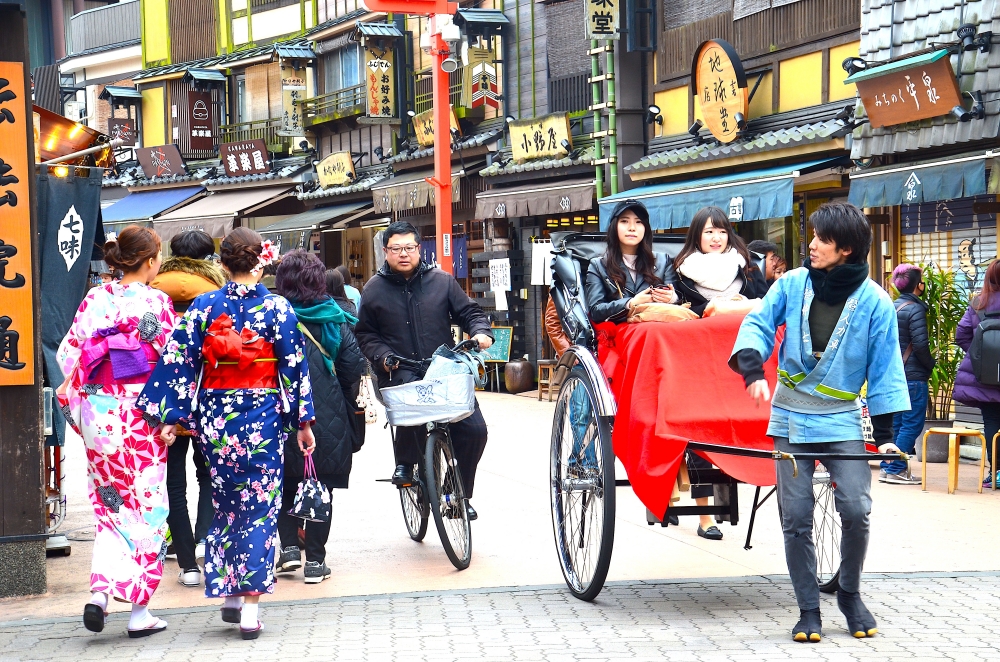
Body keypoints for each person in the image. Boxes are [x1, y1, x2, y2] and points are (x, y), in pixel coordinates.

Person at [730, 202, 908, 643]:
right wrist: (753, 368)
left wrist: (884, 437)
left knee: (856, 509)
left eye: (821, 239)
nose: (811, 245)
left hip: (842, 421)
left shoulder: (875, 302)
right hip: (790, 416)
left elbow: (886, 369)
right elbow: (758, 321)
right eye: (812, 236)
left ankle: (848, 594)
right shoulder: (791, 284)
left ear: (846, 249)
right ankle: (808, 608)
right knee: (796, 517)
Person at [137, 228, 316, 640]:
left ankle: (231, 597)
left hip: (217, 418)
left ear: (222, 263)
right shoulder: (278, 308)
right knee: (258, 508)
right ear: (261, 262)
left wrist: (170, 414)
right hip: (263, 415)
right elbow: (293, 367)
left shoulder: (203, 305)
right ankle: (250, 609)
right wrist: (303, 423)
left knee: (226, 504)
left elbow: (180, 362)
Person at [56, 225, 176, 637]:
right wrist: (172, 417)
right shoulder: (156, 303)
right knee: (147, 507)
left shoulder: (94, 298)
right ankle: (139, 612)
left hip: (98, 417)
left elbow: (69, 353)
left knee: (110, 507)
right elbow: (172, 363)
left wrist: (80, 409)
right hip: (139, 419)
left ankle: (101, 593)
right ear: (148, 261)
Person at [355, 221, 494, 519]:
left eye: (409, 248)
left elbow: (469, 312)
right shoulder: (373, 290)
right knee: (410, 407)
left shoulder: (441, 280)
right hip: (398, 368)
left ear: (419, 249)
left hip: (443, 369)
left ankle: (458, 495)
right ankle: (405, 462)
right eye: (396, 249)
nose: (403, 254)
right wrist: (383, 356)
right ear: (385, 252)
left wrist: (481, 332)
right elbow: (365, 334)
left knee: (475, 430)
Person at [273, 250, 365, 584]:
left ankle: (286, 550)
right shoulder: (333, 315)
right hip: (326, 411)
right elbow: (354, 365)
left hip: (277, 410)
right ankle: (315, 560)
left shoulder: (271, 314)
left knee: (283, 482)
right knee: (319, 482)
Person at [149, 229, 226, 587]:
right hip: (210, 393)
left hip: (165, 395)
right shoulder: (218, 293)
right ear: (209, 257)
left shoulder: (154, 287)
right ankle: (207, 546)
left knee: (172, 480)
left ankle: (186, 564)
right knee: (209, 474)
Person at [584, 198, 678, 325]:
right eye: (624, 221)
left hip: (658, 328)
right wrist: (630, 303)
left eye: (639, 222)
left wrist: (672, 298)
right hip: (621, 333)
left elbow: (680, 300)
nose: (632, 228)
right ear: (614, 226)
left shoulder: (663, 261)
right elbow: (595, 310)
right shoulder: (599, 265)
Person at [882, 264, 933, 485]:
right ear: (918, 285)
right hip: (913, 376)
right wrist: (929, 365)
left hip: (893, 375)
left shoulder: (890, 307)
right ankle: (896, 467)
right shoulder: (916, 309)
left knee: (898, 423)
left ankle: (888, 466)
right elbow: (920, 345)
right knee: (912, 423)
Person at [954, 259, 1000, 488]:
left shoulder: (978, 304)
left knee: (991, 422)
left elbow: (961, 335)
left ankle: (996, 472)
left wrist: (980, 358)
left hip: (986, 377)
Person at [674, 207, 768, 317]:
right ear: (696, 236)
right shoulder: (683, 269)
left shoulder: (747, 264)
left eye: (723, 232)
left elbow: (766, 302)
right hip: (704, 332)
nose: (717, 238)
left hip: (745, 331)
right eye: (709, 232)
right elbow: (679, 311)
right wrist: (710, 307)